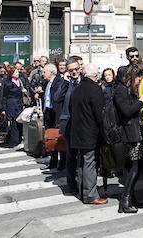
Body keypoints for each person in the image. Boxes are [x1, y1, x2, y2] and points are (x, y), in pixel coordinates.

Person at [69, 63, 108, 204]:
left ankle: (82, 191)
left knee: (82, 162)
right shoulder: (94, 89)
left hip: (77, 131)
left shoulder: (77, 89)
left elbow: (71, 110)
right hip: (89, 133)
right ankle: (91, 194)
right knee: (90, 163)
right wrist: (105, 134)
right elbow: (100, 114)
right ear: (94, 75)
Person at [114, 64, 143, 213]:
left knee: (134, 167)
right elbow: (127, 111)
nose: (140, 80)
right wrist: (141, 101)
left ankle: (130, 198)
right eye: (138, 77)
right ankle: (125, 200)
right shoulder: (120, 91)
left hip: (133, 132)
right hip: (129, 134)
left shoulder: (127, 90)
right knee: (135, 166)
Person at [60, 56, 83, 190]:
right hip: (69, 123)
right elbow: (57, 97)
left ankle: (82, 181)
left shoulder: (84, 81)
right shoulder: (65, 83)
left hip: (82, 123)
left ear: (80, 68)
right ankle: (71, 183)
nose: (74, 72)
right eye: (71, 70)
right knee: (71, 154)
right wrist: (64, 82)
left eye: (76, 69)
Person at [39, 63, 65, 170]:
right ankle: (53, 161)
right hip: (48, 111)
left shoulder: (59, 82)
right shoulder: (47, 83)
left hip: (56, 113)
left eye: (45, 72)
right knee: (50, 137)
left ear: (50, 72)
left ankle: (62, 162)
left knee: (59, 138)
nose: (43, 74)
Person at [1, 66, 26, 148]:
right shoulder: (8, 83)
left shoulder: (20, 81)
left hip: (19, 103)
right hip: (11, 104)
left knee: (19, 121)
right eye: (15, 72)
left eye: (17, 72)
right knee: (13, 123)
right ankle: (13, 141)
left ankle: (19, 139)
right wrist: (3, 108)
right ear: (11, 74)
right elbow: (4, 96)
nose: (17, 73)